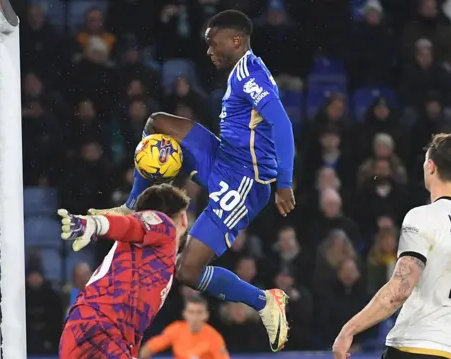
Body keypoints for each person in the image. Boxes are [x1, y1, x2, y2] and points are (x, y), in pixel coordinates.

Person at [90, 9, 293, 351]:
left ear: (236, 40)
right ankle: (131, 207)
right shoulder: (241, 71)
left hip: (244, 183)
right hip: (222, 156)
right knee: (156, 123)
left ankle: (264, 301)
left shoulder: (251, 75)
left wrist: (284, 183)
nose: (209, 51)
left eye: (213, 43)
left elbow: (283, 125)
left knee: (186, 272)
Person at [332, 133, 451, 359]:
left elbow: (399, 290)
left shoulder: (422, 217)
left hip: (414, 347)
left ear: (430, 167)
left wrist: (349, 329)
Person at [58, 184, 190, 359]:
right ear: (183, 218)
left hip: (94, 332)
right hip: (100, 330)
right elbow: (131, 224)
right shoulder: (164, 225)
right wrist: (94, 224)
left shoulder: (149, 256)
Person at [139, 295, 229, 359]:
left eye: (199, 312)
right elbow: (147, 349)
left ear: (206, 315)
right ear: (185, 314)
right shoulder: (176, 330)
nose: (195, 317)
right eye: (191, 312)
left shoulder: (214, 337)